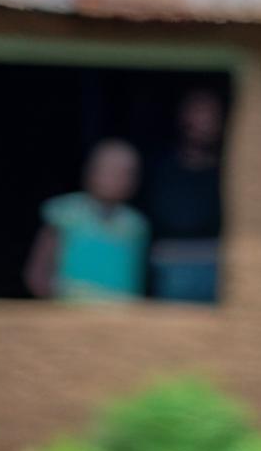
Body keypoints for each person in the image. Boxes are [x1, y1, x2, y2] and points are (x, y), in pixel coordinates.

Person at [26, 138, 147, 303]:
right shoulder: (65, 213)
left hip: (118, 313)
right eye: (108, 170)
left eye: (125, 173)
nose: (116, 178)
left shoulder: (135, 225)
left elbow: (136, 276)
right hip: (67, 307)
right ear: (90, 172)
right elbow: (38, 270)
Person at [142, 87, 230, 304]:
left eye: (210, 114)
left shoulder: (230, 172)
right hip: (167, 266)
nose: (202, 122)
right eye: (196, 112)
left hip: (216, 268)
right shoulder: (159, 167)